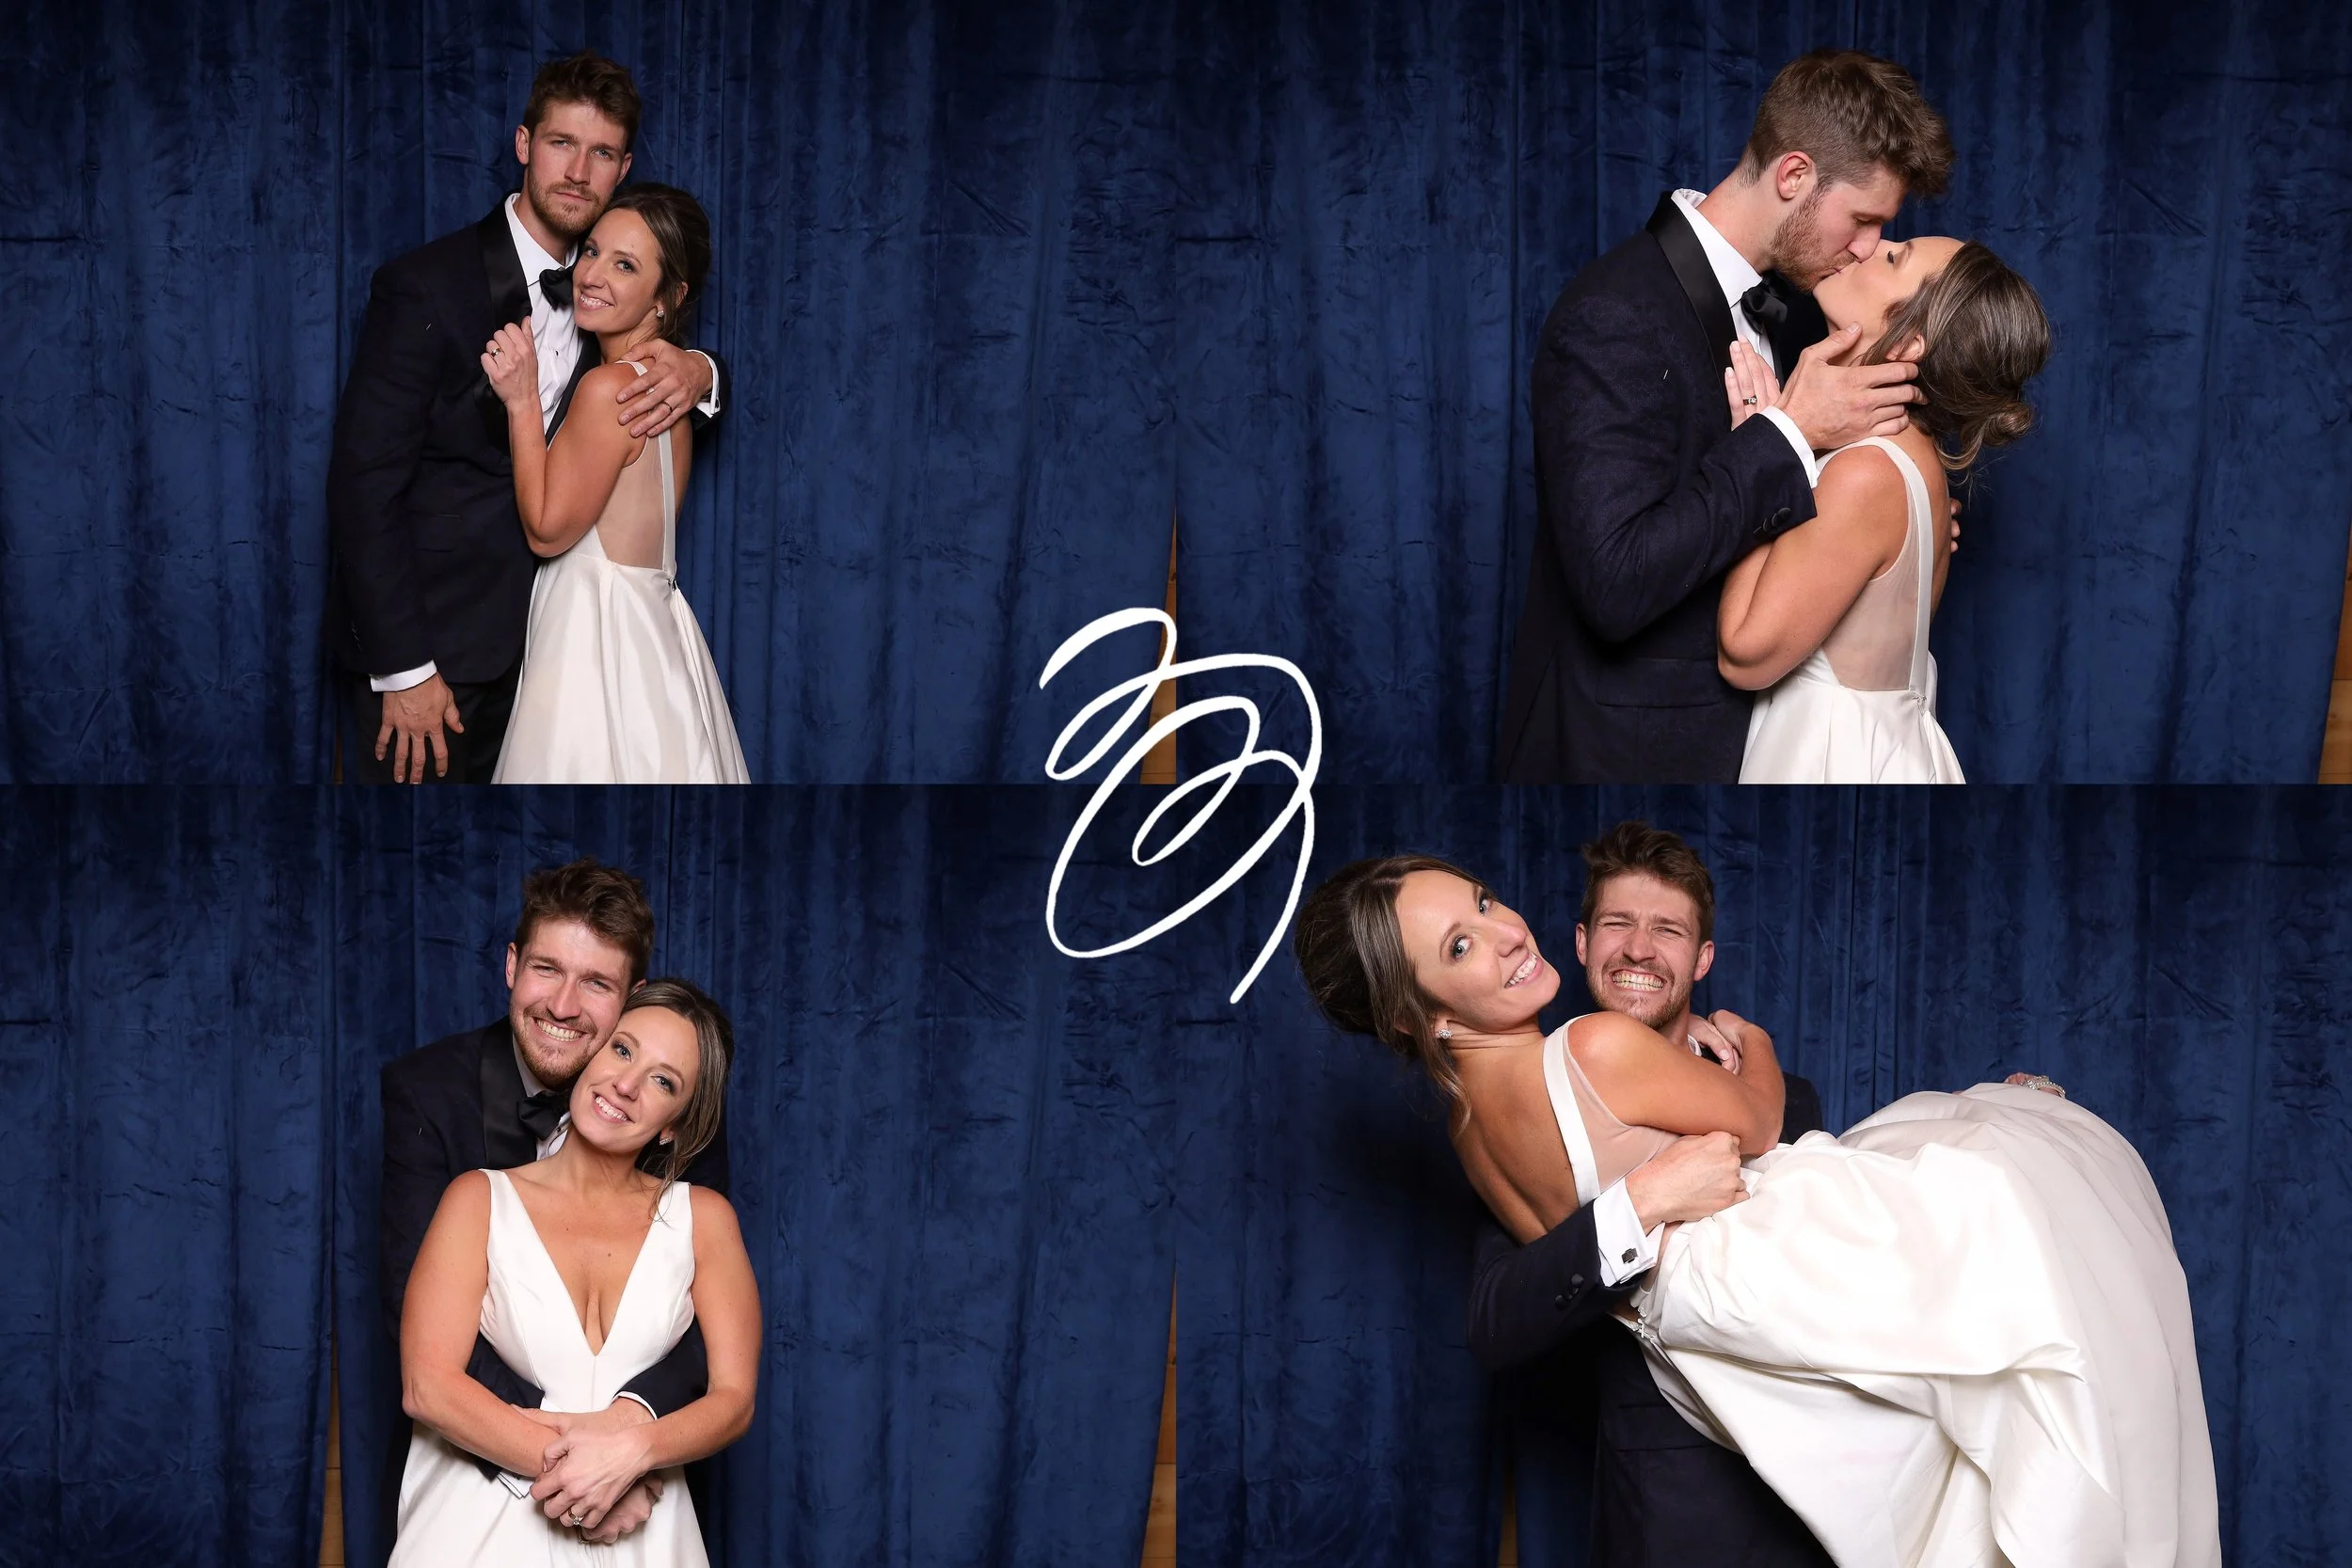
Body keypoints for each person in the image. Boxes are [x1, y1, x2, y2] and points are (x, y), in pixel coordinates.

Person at [1294, 824, 2218, 1568]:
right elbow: (1761, 1130)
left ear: (1703, 956)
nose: (1503, 931)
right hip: (1689, 1464)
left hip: (1720, 1346)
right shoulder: (1592, 1046)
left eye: (1484, 901)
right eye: (1460, 942)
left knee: (1983, 1181)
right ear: (1426, 1014)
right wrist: (1746, 1060)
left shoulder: (1469, 1129)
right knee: (2007, 1227)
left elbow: (1801, 1154)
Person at [1496, 50, 1954, 784]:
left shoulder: (1808, 311)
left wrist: (1899, 518)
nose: (1868, 249)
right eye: (1863, 220)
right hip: (1627, 756)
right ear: (1794, 176)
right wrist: (1788, 436)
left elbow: (1806, 510)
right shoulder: (1614, 311)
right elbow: (1614, 582)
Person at [326, 53, 725, 784]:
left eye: (601, 152)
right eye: (560, 143)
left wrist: (703, 369)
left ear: (623, 168)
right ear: (523, 144)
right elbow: (363, 485)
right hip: (434, 666)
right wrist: (405, 668)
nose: (577, 171)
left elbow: (639, 393)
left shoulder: (608, 304)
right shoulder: (425, 286)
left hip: (552, 661)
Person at [378, 860, 733, 1552]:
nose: (564, 1007)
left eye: (596, 983)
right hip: (484, 1473)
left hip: (640, 1487)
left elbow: (706, 1317)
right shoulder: (428, 1092)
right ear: (512, 965)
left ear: (631, 999)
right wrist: (577, 1463)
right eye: (547, 969)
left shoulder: (673, 1100)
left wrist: (631, 1435)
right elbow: (415, 1317)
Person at [1719, 239, 2051, 782]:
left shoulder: (1868, 471)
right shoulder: (1908, 456)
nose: (1873, 245)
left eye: (1895, 258)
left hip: (1833, 757)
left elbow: (1743, 656)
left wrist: (1758, 453)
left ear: (1910, 343)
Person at [483, 185, 749, 783]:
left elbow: (547, 531)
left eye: (625, 265)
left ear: (668, 298)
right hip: (652, 632)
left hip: (595, 640)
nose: (593, 274)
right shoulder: (670, 392)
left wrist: (522, 402)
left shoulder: (609, 389)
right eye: (593, 251)